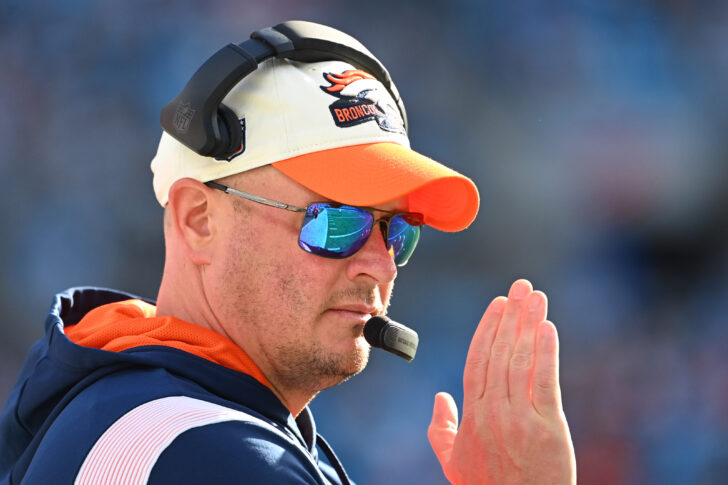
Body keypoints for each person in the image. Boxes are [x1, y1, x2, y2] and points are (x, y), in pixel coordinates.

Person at [0, 21, 575, 485]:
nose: (379, 263)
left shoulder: (171, 415)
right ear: (198, 220)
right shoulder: (203, 449)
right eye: (336, 221)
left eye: (397, 229)